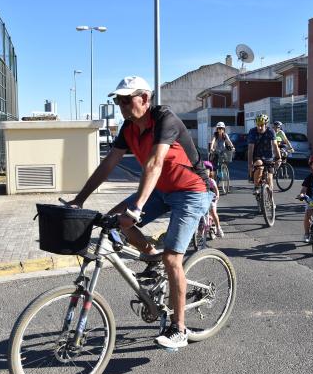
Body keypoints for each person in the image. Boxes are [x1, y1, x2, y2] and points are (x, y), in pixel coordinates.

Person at [64, 75, 212, 350]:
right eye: (117, 100)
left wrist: (136, 207)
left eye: (126, 99)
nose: (121, 105)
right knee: (113, 220)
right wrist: (79, 200)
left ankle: (179, 329)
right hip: (161, 190)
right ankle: (152, 256)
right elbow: (108, 164)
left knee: (173, 258)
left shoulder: (165, 120)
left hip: (191, 191)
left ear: (144, 98)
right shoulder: (128, 128)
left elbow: (155, 163)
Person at [247, 114, 282, 194]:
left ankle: (271, 201)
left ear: (266, 125)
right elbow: (250, 148)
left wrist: (278, 158)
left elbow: (275, 145)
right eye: (258, 125)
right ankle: (256, 187)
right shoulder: (252, 131)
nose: (259, 127)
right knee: (259, 166)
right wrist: (250, 164)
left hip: (269, 156)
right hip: (257, 155)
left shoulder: (271, 131)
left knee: (270, 181)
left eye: (261, 125)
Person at [203, 160, 224, 238]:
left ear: (210, 173)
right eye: (203, 171)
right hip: (202, 199)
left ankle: (218, 228)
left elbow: (216, 190)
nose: (205, 173)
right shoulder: (199, 181)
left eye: (207, 171)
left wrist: (217, 196)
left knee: (213, 212)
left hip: (211, 199)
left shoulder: (211, 181)